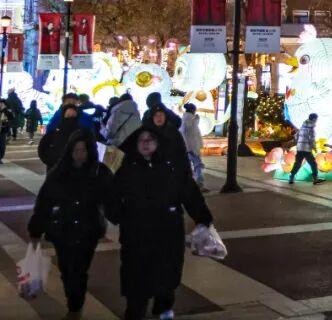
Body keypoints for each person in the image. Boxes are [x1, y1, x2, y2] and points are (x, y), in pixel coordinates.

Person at [108, 124, 213, 320]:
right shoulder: (126, 169)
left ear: (158, 143)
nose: (146, 143)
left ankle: (163, 309)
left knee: (166, 277)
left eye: (150, 139)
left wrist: (203, 218)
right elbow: (111, 196)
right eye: (142, 140)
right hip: (136, 234)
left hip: (167, 232)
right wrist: (121, 216)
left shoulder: (171, 167)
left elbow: (189, 193)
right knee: (136, 280)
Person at [28, 128, 112, 318]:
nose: (80, 154)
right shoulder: (59, 172)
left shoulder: (99, 172)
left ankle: (75, 307)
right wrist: (35, 230)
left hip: (88, 229)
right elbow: (44, 203)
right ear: (70, 150)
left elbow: (112, 199)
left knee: (79, 270)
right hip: (62, 229)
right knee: (67, 270)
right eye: (76, 150)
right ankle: (74, 302)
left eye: (83, 150)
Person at [289, 113, 324, 185]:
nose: (317, 120)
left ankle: (291, 177)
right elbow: (312, 139)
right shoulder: (311, 128)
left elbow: (296, 136)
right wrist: (314, 147)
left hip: (299, 148)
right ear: (314, 119)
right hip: (307, 149)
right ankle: (315, 178)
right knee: (313, 164)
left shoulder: (302, 127)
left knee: (298, 163)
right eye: (316, 119)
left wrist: (299, 143)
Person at [180, 103, 206, 190]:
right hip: (192, 146)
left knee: (193, 164)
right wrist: (196, 120)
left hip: (189, 146)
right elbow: (192, 133)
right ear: (192, 110)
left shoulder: (187, 118)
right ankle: (199, 183)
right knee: (197, 164)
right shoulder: (190, 119)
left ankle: (194, 182)